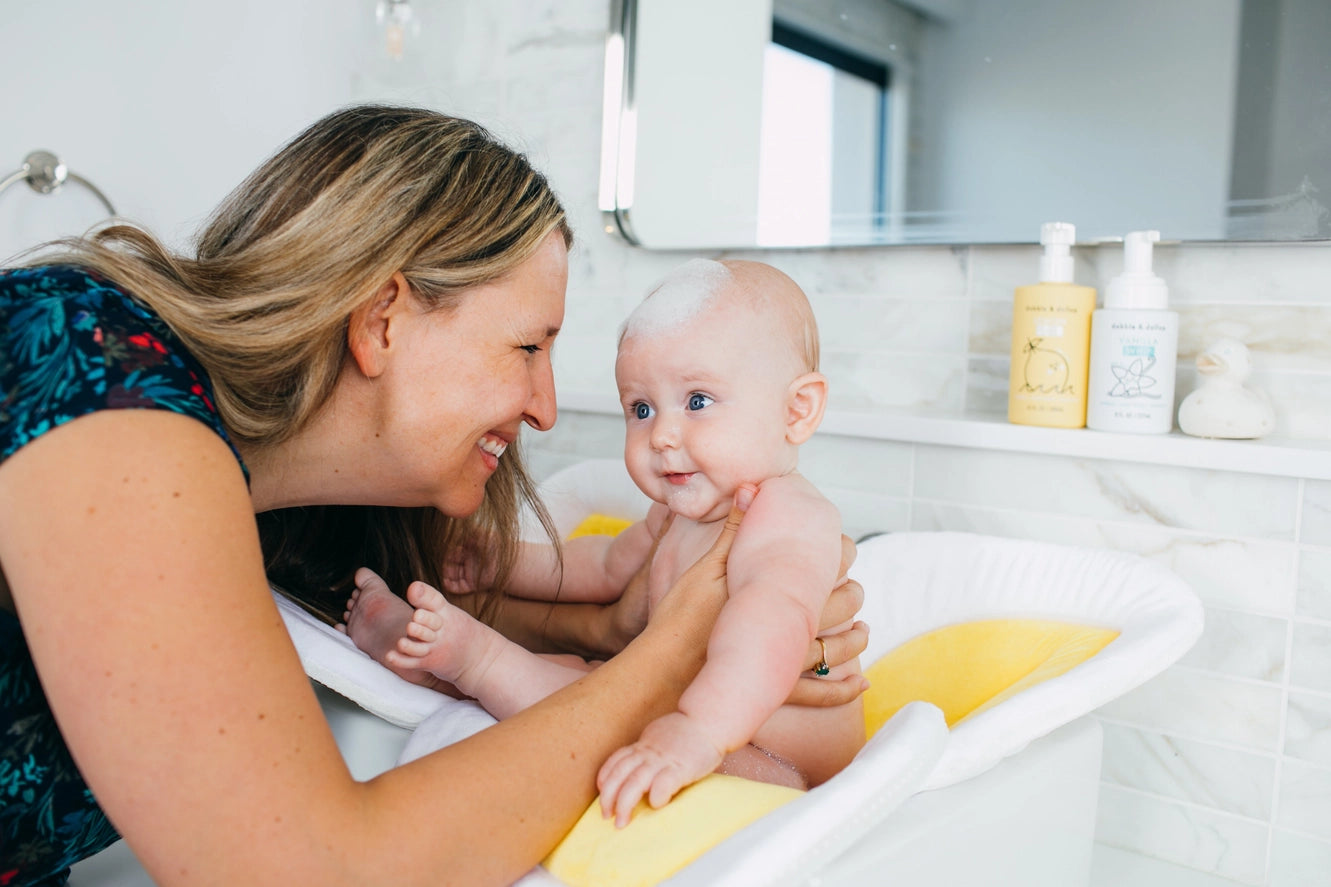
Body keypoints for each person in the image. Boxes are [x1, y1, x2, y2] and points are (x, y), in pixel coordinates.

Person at [0, 105, 869, 887]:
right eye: (528, 347)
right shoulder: (94, 374)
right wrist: (677, 655)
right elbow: (315, 870)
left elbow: (498, 607)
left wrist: (691, 632)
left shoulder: (277, 510)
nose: (546, 407)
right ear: (382, 321)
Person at [343, 258, 864, 828]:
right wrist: (499, 562)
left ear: (797, 410)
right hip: (671, 692)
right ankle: (441, 655)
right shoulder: (678, 510)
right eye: (641, 409)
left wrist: (698, 729)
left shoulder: (788, 514)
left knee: (602, 705)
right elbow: (608, 567)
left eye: (697, 401)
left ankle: (472, 659)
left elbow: (768, 627)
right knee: (586, 681)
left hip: (770, 752)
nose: (661, 436)